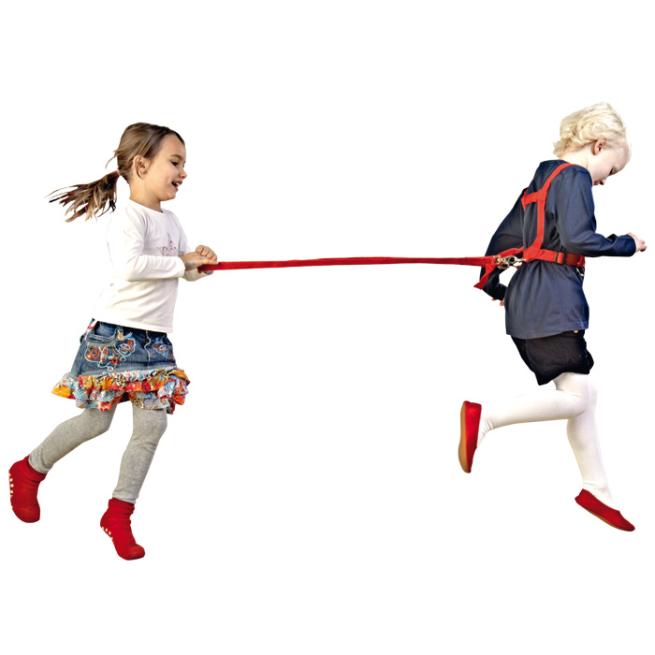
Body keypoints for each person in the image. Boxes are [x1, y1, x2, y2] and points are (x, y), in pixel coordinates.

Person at [8, 122, 217, 559]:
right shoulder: (128, 218)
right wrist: (181, 262)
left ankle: (118, 512)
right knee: (95, 422)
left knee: (153, 426)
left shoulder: (172, 222)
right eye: (175, 162)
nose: (183, 172)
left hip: (155, 342)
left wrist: (198, 266)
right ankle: (29, 469)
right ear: (141, 165)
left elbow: (177, 272)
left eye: (183, 164)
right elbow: (131, 266)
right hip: (114, 336)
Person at [458, 103, 646, 531]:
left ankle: (597, 489)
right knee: (578, 396)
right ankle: (485, 417)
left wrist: (498, 289)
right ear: (598, 145)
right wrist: (626, 244)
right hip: (553, 301)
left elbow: (500, 242)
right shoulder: (575, 177)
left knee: (582, 394)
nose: (604, 180)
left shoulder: (540, 181)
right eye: (610, 170)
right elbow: (580, 239)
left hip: (529, 299)